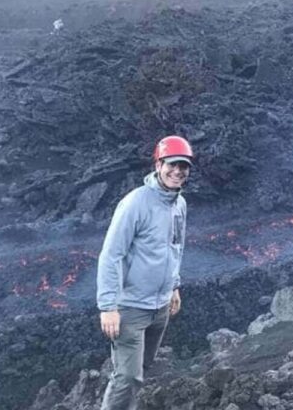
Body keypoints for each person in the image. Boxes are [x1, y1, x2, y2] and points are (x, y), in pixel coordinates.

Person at [96, 135, 193, 410]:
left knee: (142, 368)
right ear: (158, 164)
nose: (177, 171)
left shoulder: (179, 204)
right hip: (131, 308)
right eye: (172, 164)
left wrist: (174, 286)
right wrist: (108, 306)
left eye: (183, 166)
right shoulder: (135, 203)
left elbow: (176, 246)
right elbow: (111, 254)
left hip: (160, 306)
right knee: (127, 376)